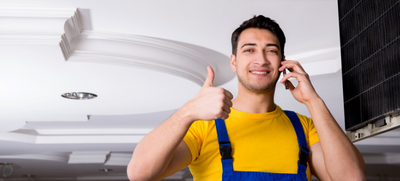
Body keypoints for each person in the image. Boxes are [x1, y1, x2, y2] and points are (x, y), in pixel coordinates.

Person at [127, 15, 366, 181]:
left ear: (283, 62)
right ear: (233, 61)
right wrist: (188, 111)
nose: (261, 60)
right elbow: (139, 173)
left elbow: (352, 178)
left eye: (271, 50)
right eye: (249, 49)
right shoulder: (203, 127)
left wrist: (314, 101)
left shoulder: (304, 128)